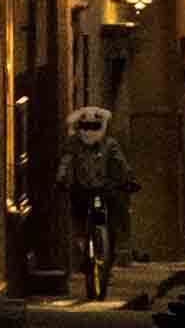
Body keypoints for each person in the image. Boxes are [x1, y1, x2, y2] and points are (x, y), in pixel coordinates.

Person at [56, 107, 137, 261]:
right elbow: (65, 162)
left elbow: (120, 163)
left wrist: (129, 179)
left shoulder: (109, 143)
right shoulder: (73, 143)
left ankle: (108, 252)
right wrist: (61, 178)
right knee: (79, 219)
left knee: (111, 217)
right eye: (86, 126)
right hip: (80, 189)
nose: (89, 131)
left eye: (94, 126)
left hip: (103, 189)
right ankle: (83, 246)